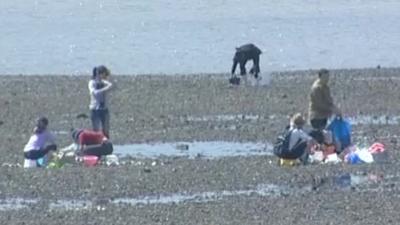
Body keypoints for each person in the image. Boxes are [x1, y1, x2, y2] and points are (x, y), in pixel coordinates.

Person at [88, 65, 113, 138]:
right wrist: (105, 89)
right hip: (95, 109)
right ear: (99, 74)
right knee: (96, 130)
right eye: (104, 74)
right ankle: (96, 145)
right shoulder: (92, 82)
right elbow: (93, 92)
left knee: (106, 130)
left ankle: (105, 144)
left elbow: (112, 86)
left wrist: (107, 83)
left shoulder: (103, 82)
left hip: (104, 109)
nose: (105, 76)